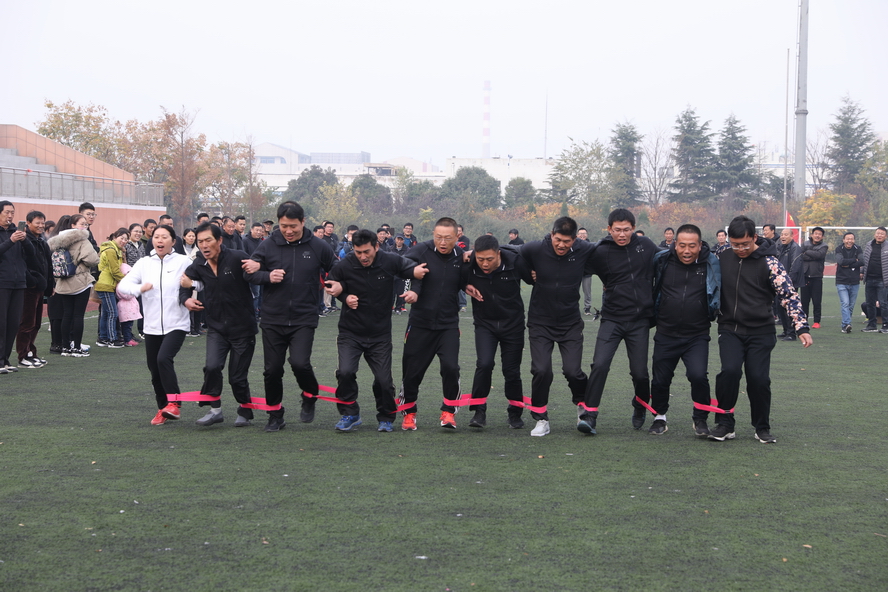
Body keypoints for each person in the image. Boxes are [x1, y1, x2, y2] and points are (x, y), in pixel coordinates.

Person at [710, 216, 812, 443]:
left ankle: (761, 426)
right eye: (735, 244)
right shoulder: (722, 256)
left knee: (758, 379)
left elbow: (788, 295)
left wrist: (801, 327)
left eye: (745, 244)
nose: (740, 249)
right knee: (729, 372)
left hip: (761, 331)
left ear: (754, 238)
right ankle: (725, 423)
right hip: (730, 328)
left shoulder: (770, 262)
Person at [243, 201, 336, 432]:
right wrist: (267, 276)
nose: (288, 231)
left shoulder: (318, 246)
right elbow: (249, 274)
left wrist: (335, 283)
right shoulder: (267, 245)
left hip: (304, 317)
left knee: (300, 363)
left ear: (303, 222)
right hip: (273, 318)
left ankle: (310, 394)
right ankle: (275, 415)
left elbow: (336, 267)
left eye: (293, 226)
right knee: (272, 370)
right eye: (284, 226)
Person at [324, 229, 427, 432]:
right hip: (350, 332)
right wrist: (344, 297)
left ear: (377, 247)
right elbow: (331, 283)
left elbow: (418, 271)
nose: (363, 256)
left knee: (383, 380)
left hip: (380, 334)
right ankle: (350, 414)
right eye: (358, 252)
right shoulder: (345, 264)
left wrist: (415, 290)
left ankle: (386, 416)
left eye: (367, 252)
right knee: (345, 372)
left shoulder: (390, 261)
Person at [582, 208, 658, 434]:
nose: (622, 234)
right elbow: (573, 263)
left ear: (633, 228)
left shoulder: (647, 246)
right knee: (600, 364)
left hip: (639, 321)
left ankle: (640, 404)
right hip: (612, 319)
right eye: (617, 230)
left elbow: (669, 260)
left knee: (640, 372)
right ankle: (590, 414)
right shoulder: (600, 251)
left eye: (626, 230)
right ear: (609, 229)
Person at [519, 216, 596, 436]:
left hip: (570, 323)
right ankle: (541, 418)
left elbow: (608, 250)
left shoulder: (584, 250)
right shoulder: (535, 248)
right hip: (540, 322)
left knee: (573, 371)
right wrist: (528, 275)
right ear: (552, 234)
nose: (561, 245)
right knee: (541, 370)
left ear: (575, 240)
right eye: (558, 239)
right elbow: (513, 253)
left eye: (567, 241)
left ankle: (582, 405)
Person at [180, 222, 258, 427]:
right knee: (212, 367)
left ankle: (245, 410)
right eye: (200, 242)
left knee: (237, 377)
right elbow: (184, 282)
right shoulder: (199, 264)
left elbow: (259, 274)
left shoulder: (237, 257)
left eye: (208, 240)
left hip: (243, 328)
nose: (204, 245)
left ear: (219, 240)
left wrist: (259, 267)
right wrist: (186, 299)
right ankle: (215, 410)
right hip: (216, 328)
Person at [649, 224, 721, 436]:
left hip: (697, 334)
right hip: (666, 332)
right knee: (660, 379)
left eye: (692, 246)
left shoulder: (711, 262)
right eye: (682, 245)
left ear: (700, 245)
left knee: (698, 376)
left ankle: (700, 419)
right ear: (675, 244)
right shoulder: (662, 260)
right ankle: (659, 417)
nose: (686, 250)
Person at [118, 225, 193, 425]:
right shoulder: (144, 263)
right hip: (151, 325)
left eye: (164, 237)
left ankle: (174, 403)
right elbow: (123, 286)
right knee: (154, 368)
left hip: (176, 323)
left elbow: (201, 282)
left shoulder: (183, 261)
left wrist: (191, 286)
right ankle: (163, 408)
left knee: (163, 358)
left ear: (173, 241)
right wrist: (139, 288)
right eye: (156, 236)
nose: (159, 240)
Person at [399, 217, 468, 430]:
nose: (443, 242)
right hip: (420, 323)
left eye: (448, 238)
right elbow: (399, 266)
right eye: (438, 237)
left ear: (457, 236)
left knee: (451, 368)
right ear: (433, 235)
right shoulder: (421, 250)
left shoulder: (461, 256)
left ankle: (449, 412)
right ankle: (409, 413)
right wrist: (412, 286)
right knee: (412, 371)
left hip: (448, 324)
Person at [463, 235, 534, 428]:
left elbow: (534, 278)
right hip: (485, 325)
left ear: (499, 254)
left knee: (511, 370)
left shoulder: (515, 262)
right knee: (484, 364)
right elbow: (453, 277)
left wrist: (536, 274)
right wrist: (464, 285)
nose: (485, 264)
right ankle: (478, 411)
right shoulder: (469, 264)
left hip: (513, 325)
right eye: (480, 259)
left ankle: (515, 413)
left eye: (489, 259)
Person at [47, 214, 99, 357]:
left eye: (85, 224)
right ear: (73, 225)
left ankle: (65, 347)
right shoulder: (82, 240)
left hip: (62, 282)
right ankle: (76, 347)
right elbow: (93, 259)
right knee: (78, 316)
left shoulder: (57, 240)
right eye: (82, 224)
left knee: (66, 315)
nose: (85, 227)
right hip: (80, 282)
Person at [0, 200, 35, 373]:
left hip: (19, 283)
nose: (10, 215)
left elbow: (31, 254)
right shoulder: (8, 236)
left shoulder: (17, 231)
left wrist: (25, 239)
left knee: (13, 323)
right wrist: (11, 241)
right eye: (7, 212)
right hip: (2, 282)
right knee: (1, 323)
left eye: (12, 212)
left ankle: (5, 360)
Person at [15, 210, 53, 368]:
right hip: (29, 287)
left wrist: (49, 285)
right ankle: (23, 355)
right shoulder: (23, 240)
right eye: (37, 223)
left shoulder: (42, 241)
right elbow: (21, 263)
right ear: (28, 223)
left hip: (40, 286)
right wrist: (32, 281)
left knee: (36, 323)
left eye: (43, 223)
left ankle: (31, 352)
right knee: (27, 322)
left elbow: (48, 265)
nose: (41, 226)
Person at [95, 228, 130, 348]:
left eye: (126, 239)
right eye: (122, 238)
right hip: (106, 285)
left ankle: (103, 337)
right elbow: (115, 270)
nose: (124, 241)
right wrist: (126, 280)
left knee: (106, 312)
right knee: (112, 312)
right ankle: (112, 339)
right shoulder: (111, 250)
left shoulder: (116, 250)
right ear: (115, 237)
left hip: (108, 284)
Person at [776, 228, 804, 341]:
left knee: (789, 307)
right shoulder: (779, 247)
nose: (783, 236)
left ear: (792, 236)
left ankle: (791, 333)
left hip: (790, 283)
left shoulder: (795, 248)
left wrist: (788, 282)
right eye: (782, 234)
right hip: (780, 281)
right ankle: (785, 330)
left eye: (786, 234)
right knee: (780, 307)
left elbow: (795, 266)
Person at [860, 227, 888, 333]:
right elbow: (865, 260)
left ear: (886, 236)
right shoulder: (869, 245)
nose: (879, 235)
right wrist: (862, 271)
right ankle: (872, 325)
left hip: (882, 280)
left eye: (882, 234)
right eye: (878, 233)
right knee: (870, 303)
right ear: (874, 234)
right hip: (869, 279)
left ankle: (885, 326)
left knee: (883, 303)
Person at [835, 232, 863, 334]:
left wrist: (848, 264)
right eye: (847, 239)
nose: (849, 241)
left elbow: (862, 261)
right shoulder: (839, 249)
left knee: (851, 305)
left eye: (851, 239)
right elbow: (841, 262)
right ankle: (846, 324)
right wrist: (854, 260)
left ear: (854, 240)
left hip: (855, 282)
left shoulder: (858, 248)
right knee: (845, 303)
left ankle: (846, 325)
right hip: (842, 281)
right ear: (843, 240)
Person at [800, 226, 827, 328]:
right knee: (804, 301)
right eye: (816, 233)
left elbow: (819, 255)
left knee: (817, 301)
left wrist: (807, 252)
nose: (817, 236)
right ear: (812, 235)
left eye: (819, 234)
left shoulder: (824, 246)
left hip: (817, 276)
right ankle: (804, 320)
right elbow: (801, 255)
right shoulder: (805, 244)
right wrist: (813, 255)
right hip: (805, 275)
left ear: (822, 236)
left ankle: (816, 321)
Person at [577, 227, 594, 315]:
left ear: (587, 235)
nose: (582, 235)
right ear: (577, 235)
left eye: (584, 233)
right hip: (575, 272)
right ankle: (574, 308)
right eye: (580, 233)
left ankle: (587, 308)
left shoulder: (590, 246)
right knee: (574, 291)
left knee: (587, 292)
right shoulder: (573, 245)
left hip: (587, 273)